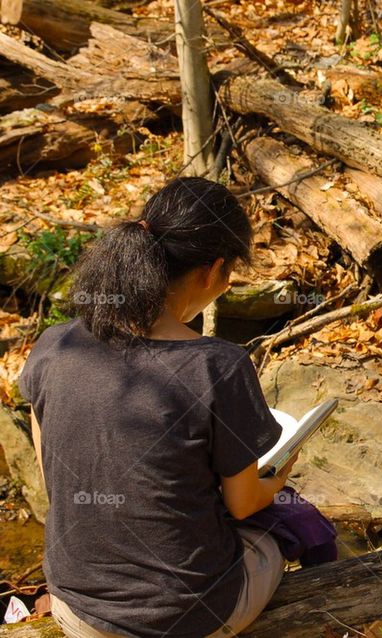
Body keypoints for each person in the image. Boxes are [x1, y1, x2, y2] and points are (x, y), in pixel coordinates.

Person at [18, 177, 299, 637]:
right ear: (212, 271)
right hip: (186, 618)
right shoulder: (219, 366)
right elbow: (244, 503)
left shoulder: (56, 345)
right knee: (284, 527)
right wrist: (280, 477)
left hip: (75, 606)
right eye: (229, 277)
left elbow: (57, 479)